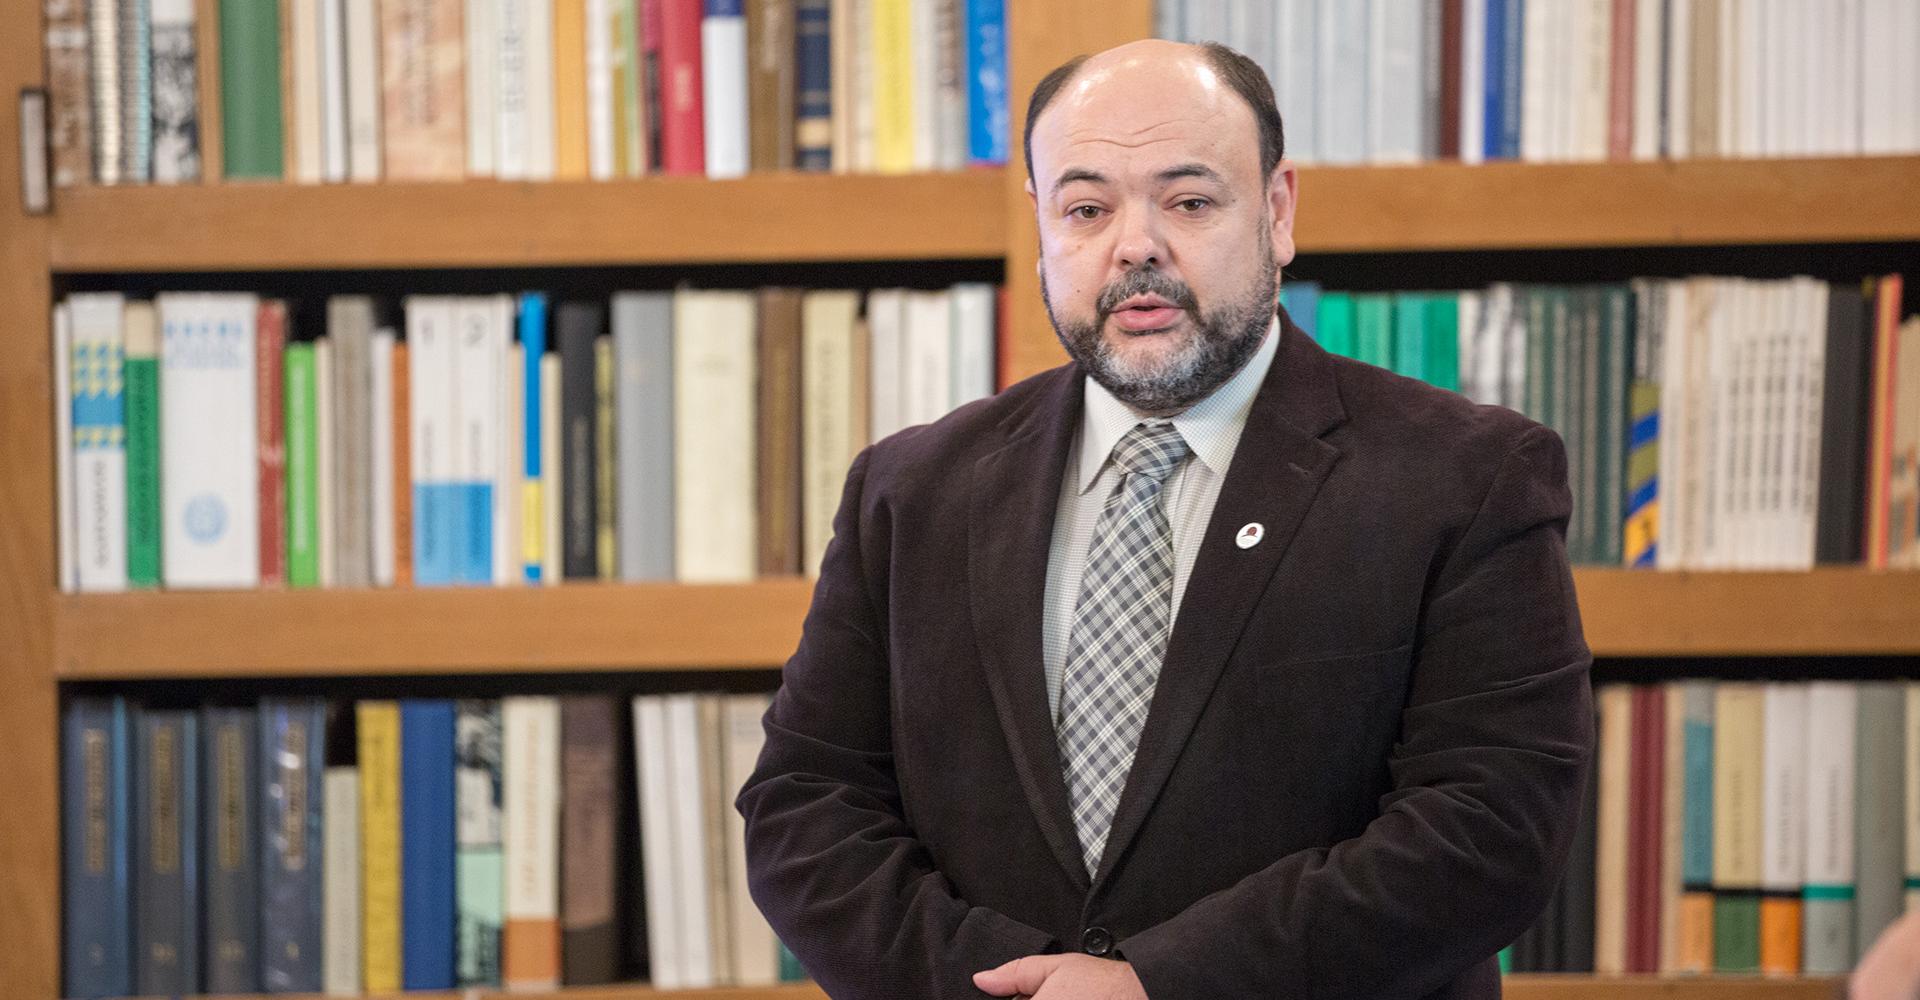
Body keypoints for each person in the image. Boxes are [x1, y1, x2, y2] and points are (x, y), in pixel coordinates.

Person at [736, 37, 1593, 1000]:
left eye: (1188, 201)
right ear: (1042, 225)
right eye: (1087, 208)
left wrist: (1161, 985)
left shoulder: (1468, 477)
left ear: (1277, 211)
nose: (1135, 246)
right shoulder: (910, 490)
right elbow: (805, 806)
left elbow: (1494, 825)